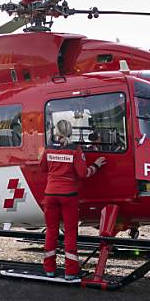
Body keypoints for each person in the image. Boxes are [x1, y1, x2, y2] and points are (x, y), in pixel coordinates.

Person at [39, 120, 106, 280]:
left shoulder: (49, 149)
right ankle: (70, 271)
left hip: (50, 195)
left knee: (51, 230)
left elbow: (42, 168)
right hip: (68, 196)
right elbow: (84, 173)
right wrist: (96, 165)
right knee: (70, 233)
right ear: (70, 132)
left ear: (56, 131)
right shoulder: (75, 150)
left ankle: (49, 268)